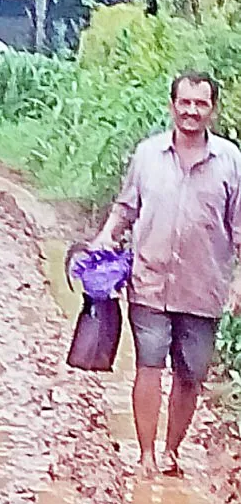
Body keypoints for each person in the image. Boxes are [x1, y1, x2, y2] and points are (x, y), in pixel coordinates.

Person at [93, 71, 241, 477]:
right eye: (185, 102)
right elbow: (126, 207)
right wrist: (105, 237)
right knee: (149, 365)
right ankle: (146, 455)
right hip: (149, 282)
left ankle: (172, 450)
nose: (192, 110)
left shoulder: (231, 162)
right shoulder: (147, 155)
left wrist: (238, 284)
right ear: (172, 105)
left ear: (213, 109)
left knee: (191, 373)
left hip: (203, 287)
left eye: (201, 103)